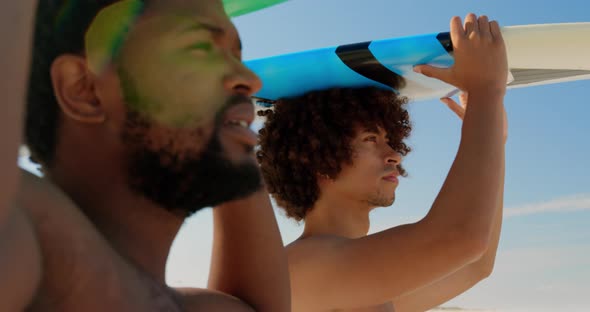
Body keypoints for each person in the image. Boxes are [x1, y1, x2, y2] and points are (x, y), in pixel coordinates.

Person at [2, 0, 290, 311]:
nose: (251, 80)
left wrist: (228, 124)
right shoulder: (30, 236)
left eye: (236, 55)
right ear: (84, 88)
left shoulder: (163, 300)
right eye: (201, 47)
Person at [257, 14, 508, 312]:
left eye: (390, 141)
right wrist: (485, 92)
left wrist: (494, 137)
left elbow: (474, 267)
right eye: (371, 140)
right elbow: (460, 239)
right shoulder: (301, 269)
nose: (395, 155)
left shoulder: (358, 278)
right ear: (318, 158)